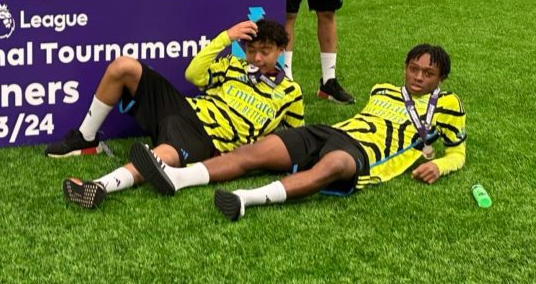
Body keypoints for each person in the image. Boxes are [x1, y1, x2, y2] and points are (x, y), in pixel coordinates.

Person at [130, 44, 466, 222]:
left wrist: (441, 165)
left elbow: (458, 151)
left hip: (362, 155)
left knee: (331, 167)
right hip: (330, 132)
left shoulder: (448, 104)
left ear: (440, 79)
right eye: (413, 68)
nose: (418, 77)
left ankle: (247, 199)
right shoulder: (383, 90)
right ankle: (178, 177)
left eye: (428, 73)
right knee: (257, 151)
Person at [53, 18, 304, 210]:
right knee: (124, 66)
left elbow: (294, 141)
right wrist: (226, 38)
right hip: (185, 108)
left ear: (281, 49)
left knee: (161, 157)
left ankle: (98, 186)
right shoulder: (233, 65)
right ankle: (86, 139)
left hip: (208, 140)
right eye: (252, 50)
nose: (257, 58)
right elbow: (192, 75)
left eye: (266, 51)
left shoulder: (291, 92)